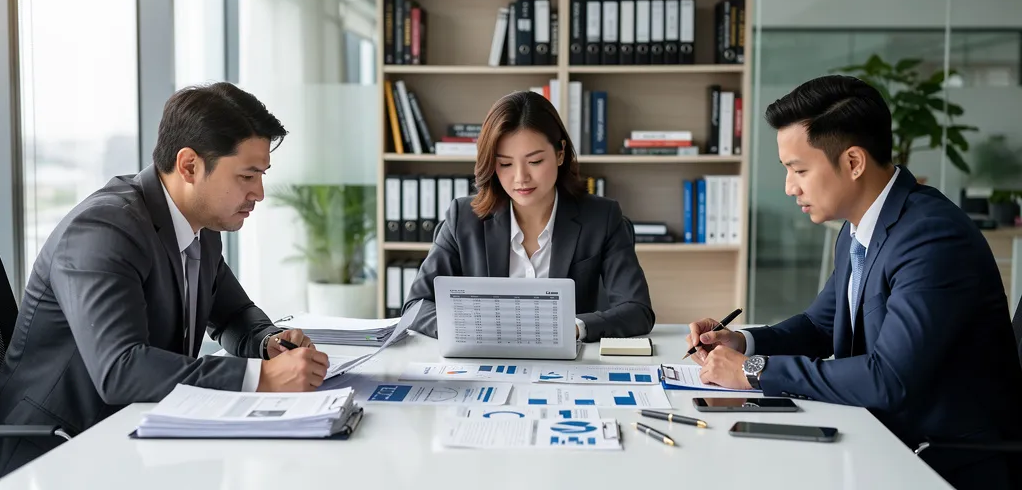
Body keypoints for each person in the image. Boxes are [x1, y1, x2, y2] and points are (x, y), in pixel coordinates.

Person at [685, 75, 1022, 489]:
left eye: (799, 169)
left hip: (941, 462)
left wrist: (753, 371)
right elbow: (820, 326)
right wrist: (742, 343)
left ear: (853, 162)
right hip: (879, 438)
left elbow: (888, 379)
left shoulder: (932, 236)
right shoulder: (858, 229)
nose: (790, 187)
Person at [0, 83, 331, 475]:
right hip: (55, 452)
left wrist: (267, 342)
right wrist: (261, 378)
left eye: (261, 175)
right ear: (189, 165)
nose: (259, 192)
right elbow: (120, 369)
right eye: (247, 175)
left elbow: (233, 313)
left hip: (135, 435)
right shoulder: (104, 230)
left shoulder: (200, 228)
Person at [403, 90, 654, 342]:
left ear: (560, 153)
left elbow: (637, 310)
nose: (520, 177)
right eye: (505, 164)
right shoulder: (463, 219)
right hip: (486, 362)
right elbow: (415, 306)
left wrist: (574, 328)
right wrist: (468, 328)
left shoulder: (601, 217)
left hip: (569, 364)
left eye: (534, 161)